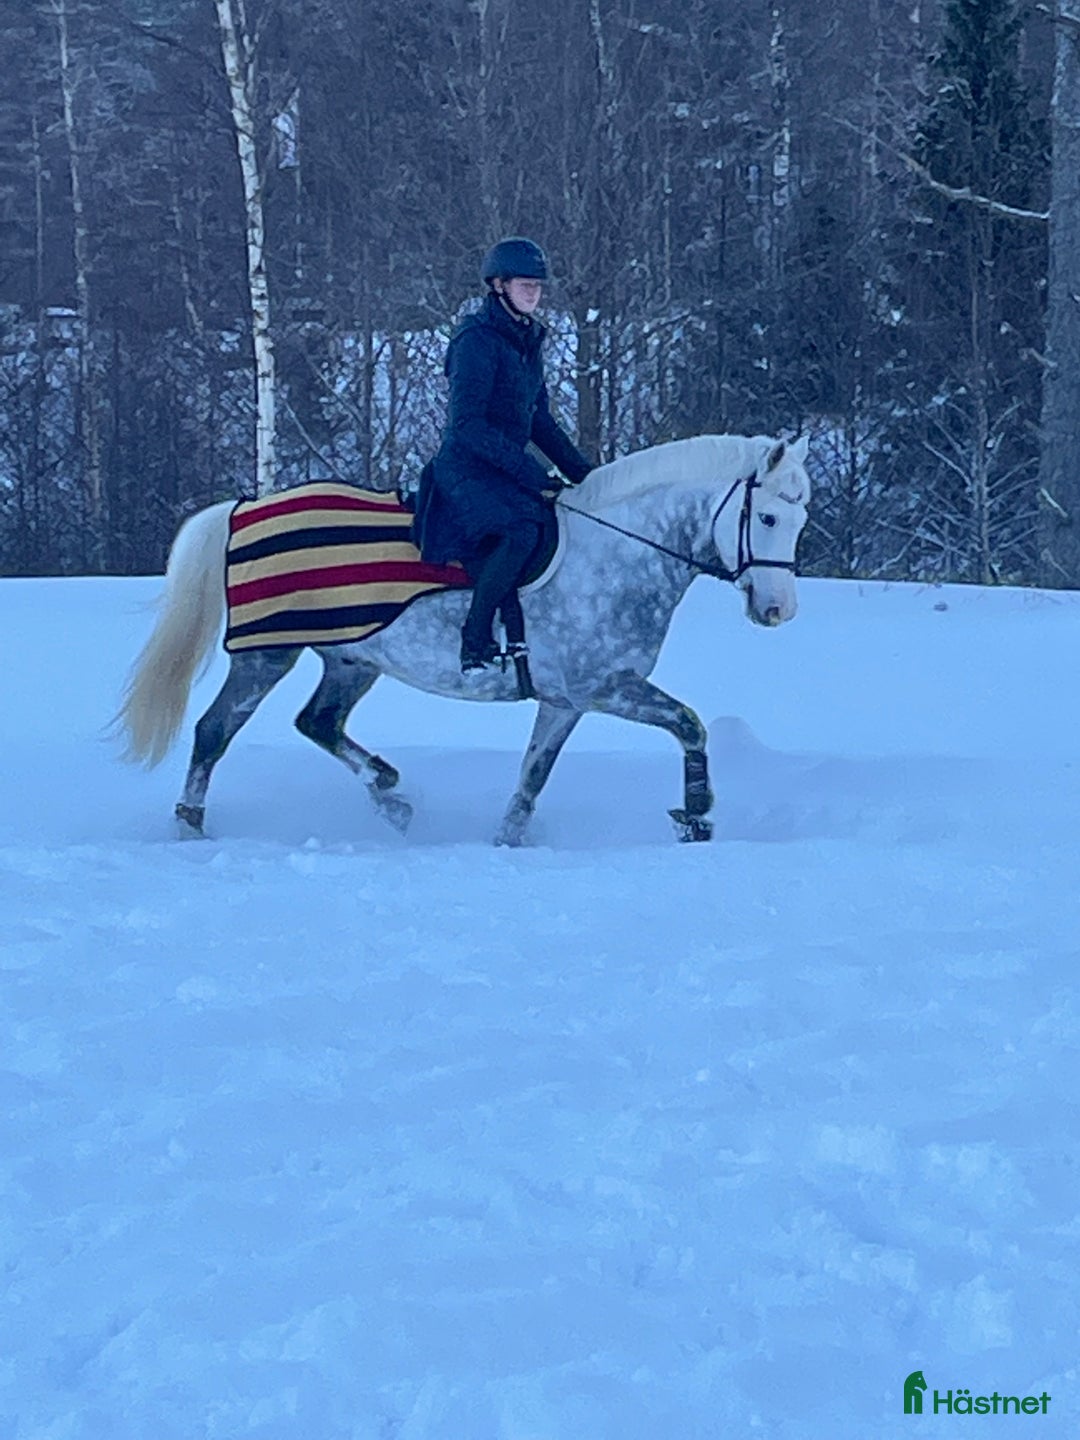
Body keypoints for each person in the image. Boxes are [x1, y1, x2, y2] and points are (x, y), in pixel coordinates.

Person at [413, 237, 594, 676]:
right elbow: (467, 425)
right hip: (464, 469)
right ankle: (475, 639)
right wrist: (532, 473)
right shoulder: (477, 340)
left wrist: (587, 476)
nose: (533, 293)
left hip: (501, 469)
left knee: (554, 521)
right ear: (499, 286)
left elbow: (539, 421)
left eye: (538, 286)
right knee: (519, 531)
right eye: (525, 284)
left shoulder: (527, 340)